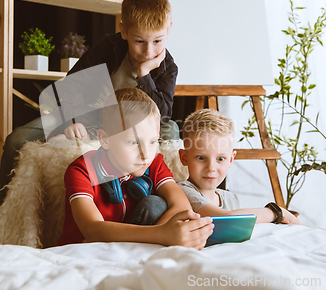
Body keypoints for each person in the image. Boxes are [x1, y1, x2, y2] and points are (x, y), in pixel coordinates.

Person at [0, 0, 179, 204]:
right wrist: (72, 120)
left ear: (168, 30)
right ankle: (5, 210)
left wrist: (144, 74)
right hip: (91, 114)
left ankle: (153, 197)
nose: (149, 52)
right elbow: (72, 85)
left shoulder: (168, 67)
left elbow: (164, 114)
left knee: (172, 131)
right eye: (140, 42)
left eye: (157, 41)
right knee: (17, 138)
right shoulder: (108, 47)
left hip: (132, 127)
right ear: (124, 31)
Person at [57, 88, 213, 249]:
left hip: (131, 251)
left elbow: (182, 206)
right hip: (84, 253)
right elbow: (92, 229)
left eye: (153, 142)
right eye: (134, 142)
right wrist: (161, 234)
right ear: (105, 139)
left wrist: (164, 234)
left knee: (155, 204)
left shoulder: (154, 163)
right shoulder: (82, 169)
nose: (146, 154)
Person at [177, 108, 300, 224]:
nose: (211, 167)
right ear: (184, 158)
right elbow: (228, 220)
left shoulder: (231, 199)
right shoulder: (181, 190)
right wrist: (276, 212)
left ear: (231, 159)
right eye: (201, 158)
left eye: (220, 159)